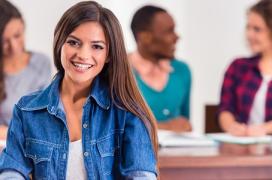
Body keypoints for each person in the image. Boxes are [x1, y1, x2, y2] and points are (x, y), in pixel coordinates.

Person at [0, 1, 158, 179]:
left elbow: (141, 176)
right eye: (74, 42)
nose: (83, 55)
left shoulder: (127, 112)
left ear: (109, 55)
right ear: (60, 43)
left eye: (97, 46)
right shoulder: (27, 110)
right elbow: (11, 171)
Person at [218, 0, 272, 137]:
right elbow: (225, 108)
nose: (249, 35)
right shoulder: (238, 67)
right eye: (248, 28)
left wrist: (264, 129)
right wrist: (232, 126)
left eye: (257, 29)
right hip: (241, 149)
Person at [128, 5, 192, 132]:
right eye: (169, 31)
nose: (176, 37)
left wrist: (185, 125)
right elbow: (115, 126)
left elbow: (184, 122)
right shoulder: (118, 71)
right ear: (145, 37)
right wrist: (165, 127)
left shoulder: (182, 71)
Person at [0, 0, 51, 139]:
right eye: (4, 41)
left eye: (17, 35)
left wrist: (9, 131)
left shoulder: (41, 63)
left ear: (23, 26)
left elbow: (44, 119)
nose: (14, 46)